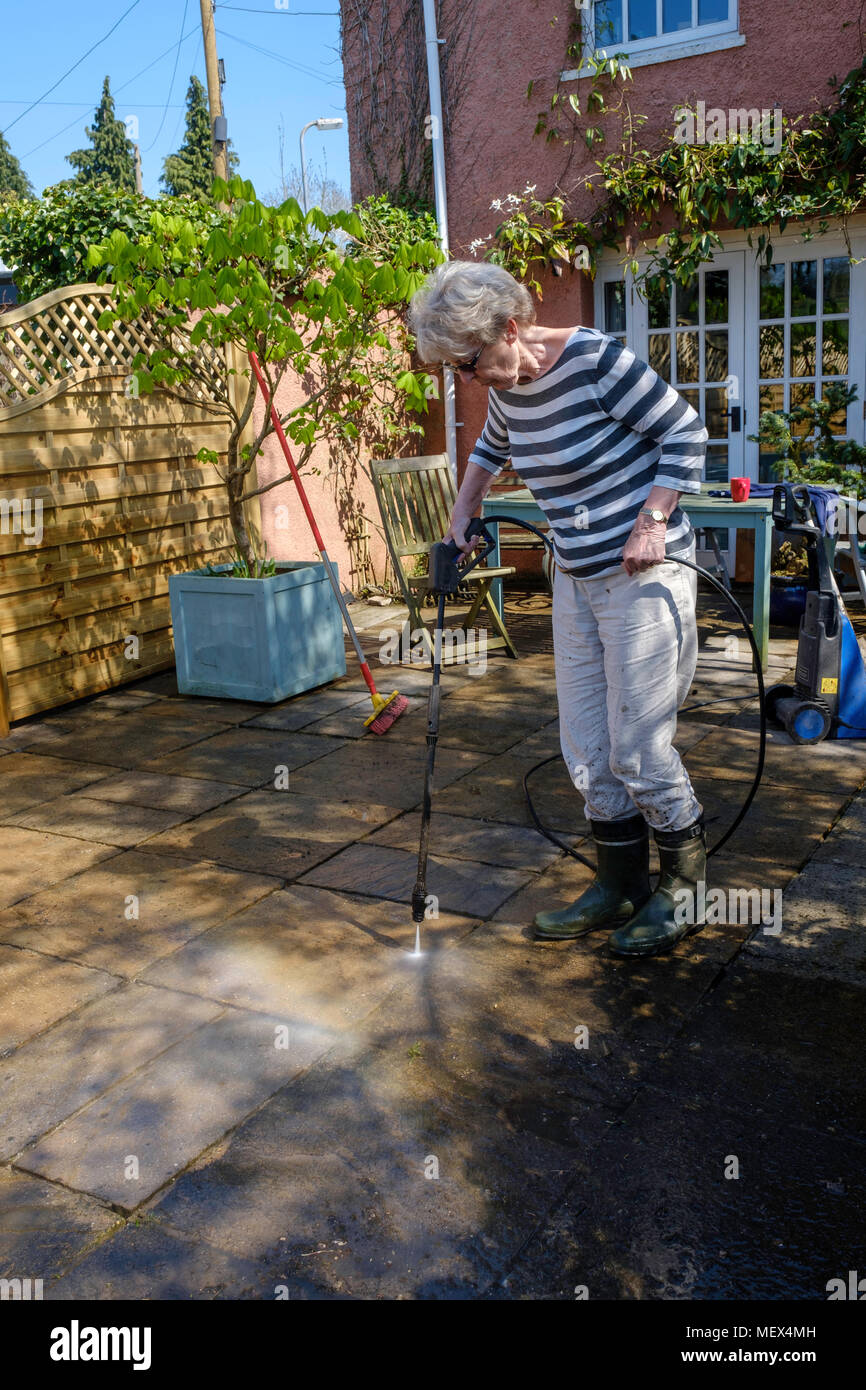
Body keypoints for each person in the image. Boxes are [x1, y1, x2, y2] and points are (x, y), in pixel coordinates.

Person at [408, 259, 709, 957]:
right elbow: (490, 444)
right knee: (586, 748)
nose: (472, 381)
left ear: (510, 328)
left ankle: (686, 887)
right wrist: (465, 506)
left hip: (643, 575)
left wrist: (653, 521)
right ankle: (619, 884)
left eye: (472, 363)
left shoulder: (597, 362)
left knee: (637, 746)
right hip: (575, 577)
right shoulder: (509, 383)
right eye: (459, 371)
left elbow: (686, 433)